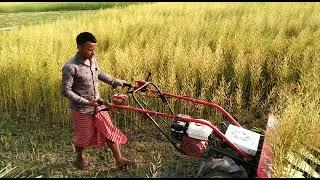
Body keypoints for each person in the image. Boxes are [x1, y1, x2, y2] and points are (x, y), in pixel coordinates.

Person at [61, 32, 135, 170]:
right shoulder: (70, 67)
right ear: (79, 47)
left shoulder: (92, 60)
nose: (93, 53)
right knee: (84, 137)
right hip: (82, 109)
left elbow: (99, 73)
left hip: (99, 105)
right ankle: (79, 158)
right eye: (89, 49)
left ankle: (119, 160)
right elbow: (66, 91)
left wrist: (116, 81)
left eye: (94, 49)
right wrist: (86, 102)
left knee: (109, 130)